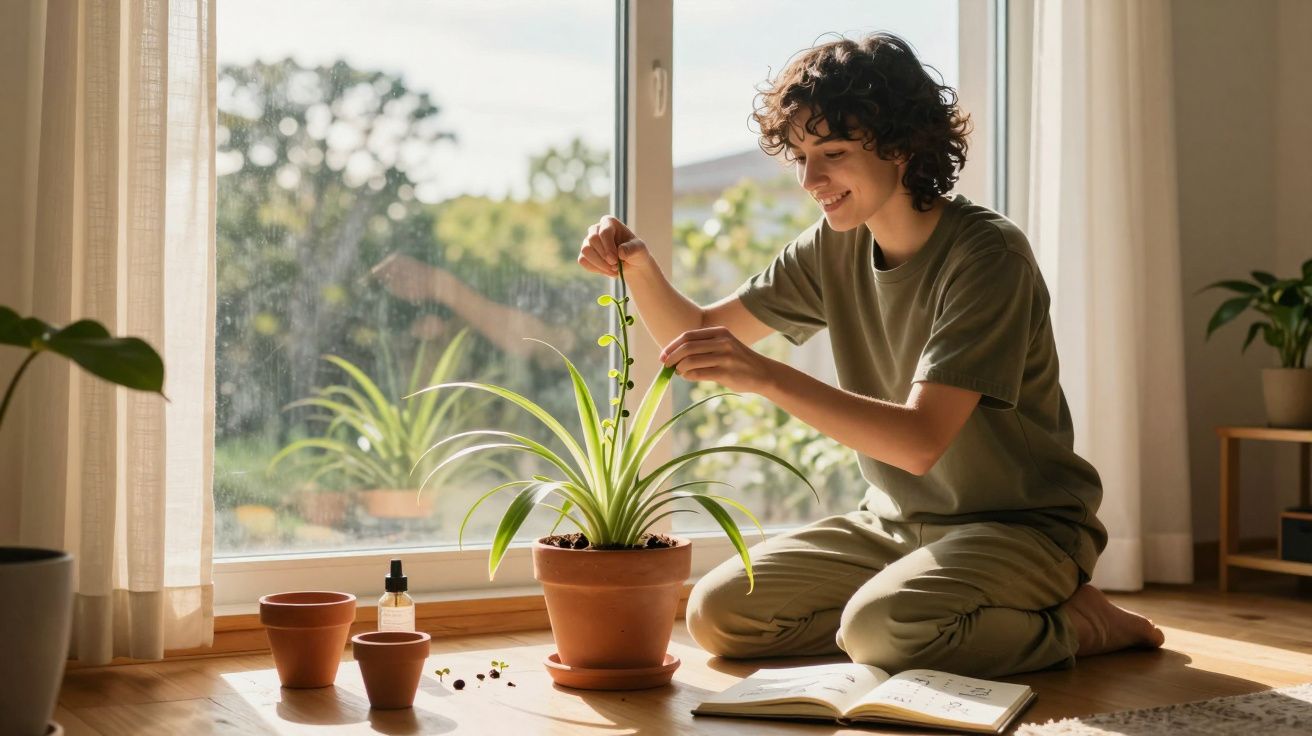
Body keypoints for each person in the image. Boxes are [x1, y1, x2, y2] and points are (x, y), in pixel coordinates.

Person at [576, 33, 1164, 679]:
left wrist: (770, 378)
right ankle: (895, 620)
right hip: (892, 524)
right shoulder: (832, 246)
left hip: (1020, 529)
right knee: (718, 616)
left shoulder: (988, 256)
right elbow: (699, 336)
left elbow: (919, 443)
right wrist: (636, 266)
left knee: (882, 629)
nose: (810, 179)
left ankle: (1077, 623)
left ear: (903, 144)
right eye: (800, 155)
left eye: (833, 152)